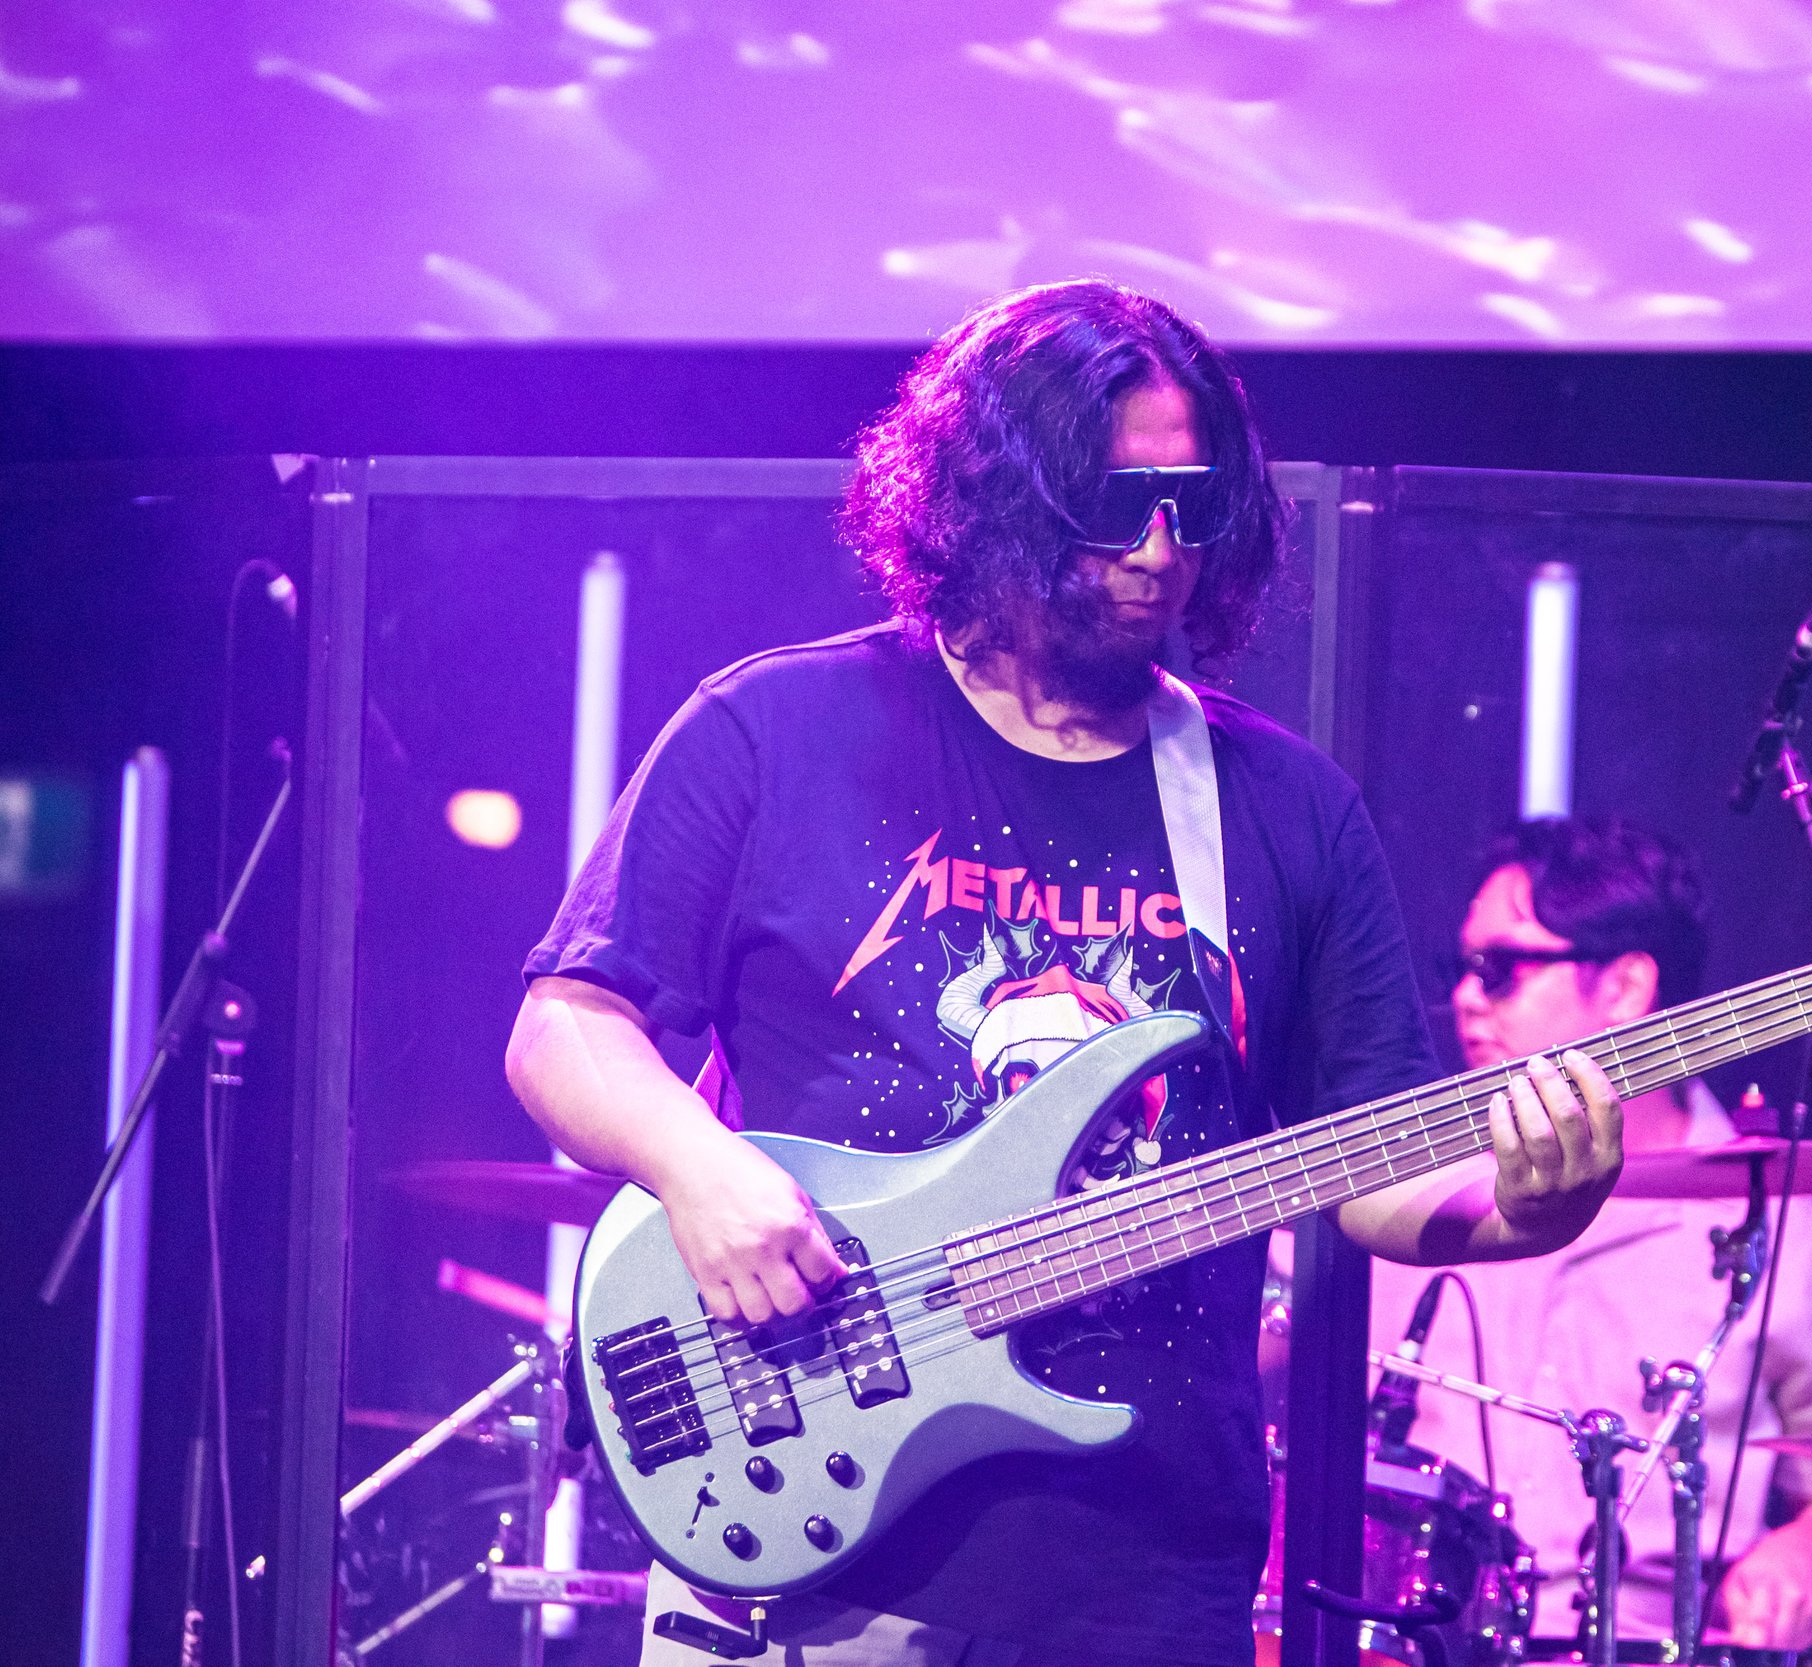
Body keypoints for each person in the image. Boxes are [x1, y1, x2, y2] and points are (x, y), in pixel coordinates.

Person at [503, 280, 1628, 1667]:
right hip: (808, 1551)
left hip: (1145, 1586)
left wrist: (1533, 1202)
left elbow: (1375, 1162)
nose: (1161, 550)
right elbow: (567, 1025)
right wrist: (699, 1166)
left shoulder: (1283, 806)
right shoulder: (774, 730)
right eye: (1112, 503)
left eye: (1192, 503)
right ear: (993, 502)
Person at [1368, 816, 1812, 1649]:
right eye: (1461, 968)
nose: (1466, 997)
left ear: (1625, 987)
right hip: (1410, 1640)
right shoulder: (1405, 1192)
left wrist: (1802, 1555)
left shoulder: (1787, 1228)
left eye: (1502, 968)